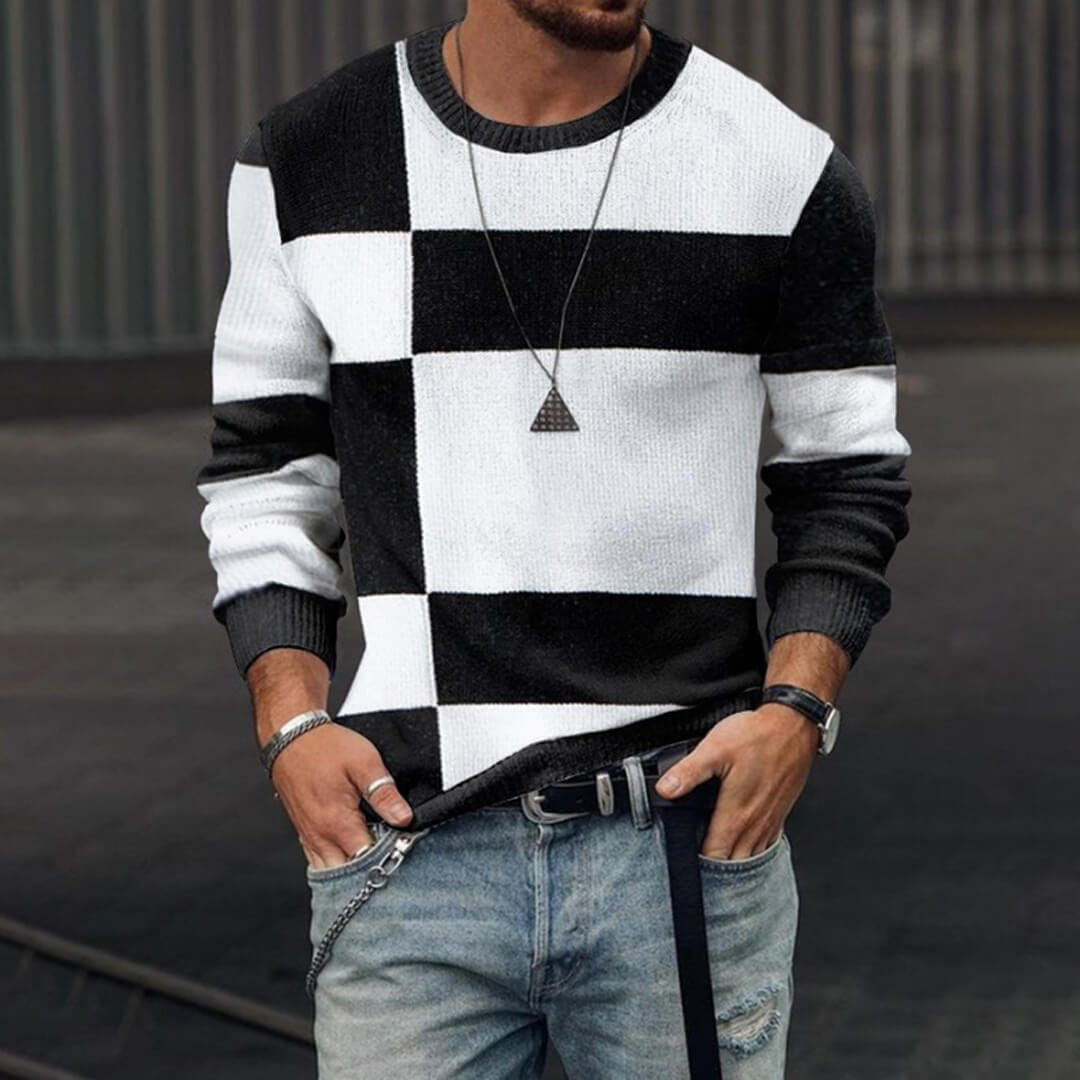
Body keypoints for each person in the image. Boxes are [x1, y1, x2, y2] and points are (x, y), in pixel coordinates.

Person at [196, 2, 912, 1076]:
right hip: (409, 845)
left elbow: (847, 471)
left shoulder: (780, 163)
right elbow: (267, 469)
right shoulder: (310, 157)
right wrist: (290, 725)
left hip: (683, 838)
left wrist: (797, 711)